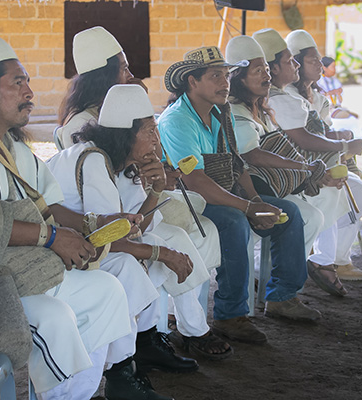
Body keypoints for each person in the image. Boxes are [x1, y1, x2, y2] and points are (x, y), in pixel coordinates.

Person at [0, 34, 146, 399]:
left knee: (108, 291)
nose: (29, 92)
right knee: (56, 316)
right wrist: (50, 238)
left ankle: (72, 395)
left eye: (28, 82)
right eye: (18, 83)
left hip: (19, 266)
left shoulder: (13, 146)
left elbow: (50, 209)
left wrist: (95, 225)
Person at [56, 25, 223, 341]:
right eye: (123, 68)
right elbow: (102, 202)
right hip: (104, 221)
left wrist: (156, 179)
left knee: (183, 239)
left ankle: (185, 329)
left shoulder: (118, 117)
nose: (129, 74)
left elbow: (131, 181)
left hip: (133, 211)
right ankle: (161, 336)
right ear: (103, 76)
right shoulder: (84, 131)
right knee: (169, 245)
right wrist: (146, 181)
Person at [158, 46, 323, 341]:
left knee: (290, 213)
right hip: (186, 200)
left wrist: (256, 200)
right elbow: (194, 181)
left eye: (226, 75)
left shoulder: (223, 113)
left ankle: (282, 296)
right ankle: (230, 314)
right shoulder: (177, 121)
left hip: (221, 191)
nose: (225, 83)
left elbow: (237, 164)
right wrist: (247, 207)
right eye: (215, 76)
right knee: (233, 220)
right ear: (192, 82)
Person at [224, 35, 350, 257]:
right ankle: (306, 268)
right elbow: (254, 156)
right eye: (259, 71)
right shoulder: (236, 110)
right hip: (251, 188)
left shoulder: (261, 107)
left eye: (266, 70)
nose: (267, 76)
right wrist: (308, 169)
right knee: (300, 213)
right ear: (240, 79)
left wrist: (313, 173)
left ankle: (295, 278)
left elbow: (281, 148)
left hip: (278, 182)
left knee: (313, 215)